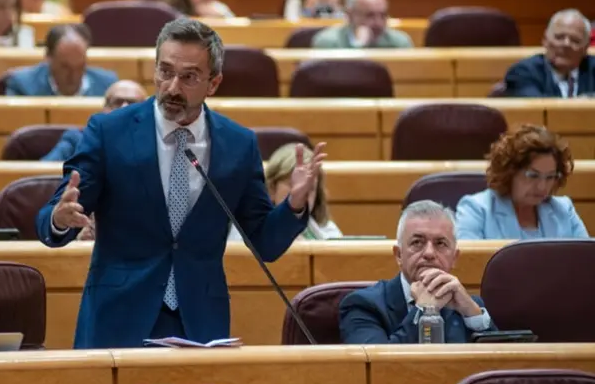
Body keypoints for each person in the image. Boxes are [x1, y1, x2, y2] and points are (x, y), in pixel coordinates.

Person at [36, 17, 327, 349]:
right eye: (165, 71)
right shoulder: (108, 132)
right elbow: (52, 218)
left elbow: (265, 243)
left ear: (213, 83)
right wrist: (59, 219)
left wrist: (294, 205)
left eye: (189, 77)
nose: (173, 87)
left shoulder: (238, 144)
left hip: (200, 323)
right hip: (118, 319)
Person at [339, 200, 494, 344]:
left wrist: (474, 316)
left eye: (440, 243)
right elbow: (379, 363)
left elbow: (499, 361)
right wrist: (424, 311)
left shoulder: (470, 307)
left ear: (454, 258)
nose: (429, 253)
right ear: (399, 255)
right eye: (417, 242)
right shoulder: (363, 306)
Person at [456, 125, 589, 240]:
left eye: (550, 177)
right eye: (533, 176)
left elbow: (586, 258)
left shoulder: (564, 210)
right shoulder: (476, 210)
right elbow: (470, 261)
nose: (542, 186)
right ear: (509, 172)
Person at [228, 143, 341, 241]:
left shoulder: (328, 230)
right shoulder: (244, 228)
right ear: (272, 189)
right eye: (294, 185)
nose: (303, 194)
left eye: (310, 188)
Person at [42, 80, 147, 162]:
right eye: (117, 103)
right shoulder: (77, 140)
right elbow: (43, 173)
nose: (124, 108)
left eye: (133, 103)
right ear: (104, 109)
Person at [5, 24, 118, 96]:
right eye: (65, 67)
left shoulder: (108, 87)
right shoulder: (22, 86)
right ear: (48, 58)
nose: (73, 76)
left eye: (80, 67)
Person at [503, 9, 594, 97]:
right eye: (559, 37)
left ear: (586, 48)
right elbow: (536, 105)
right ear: (545, 40)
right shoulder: (524, 72)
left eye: (575, 40)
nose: (566, 44)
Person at [311, 0, 413, 49]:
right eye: (370, 16)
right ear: (350, 16)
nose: (378, 23)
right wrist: (359, 45)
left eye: (383, 16)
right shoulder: (328, 42)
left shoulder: (399, 43)